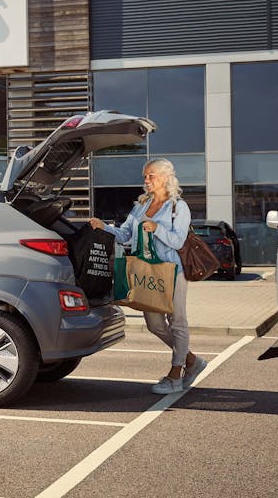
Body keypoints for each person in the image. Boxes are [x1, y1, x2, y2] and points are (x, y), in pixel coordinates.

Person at [88, 158, 208, 394]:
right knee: (154, 324)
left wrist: (157, 228)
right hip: (145, 271)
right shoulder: (141, 206)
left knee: (177, 323)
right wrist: (104, 227)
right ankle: (192, 360)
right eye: (145, 176)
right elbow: (125, 235)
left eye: (150, 175)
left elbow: (178, 240)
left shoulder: (178, 207)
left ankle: (176, 374)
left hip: (171, 271)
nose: (146, 180)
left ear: (164, 177)